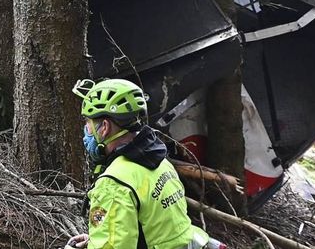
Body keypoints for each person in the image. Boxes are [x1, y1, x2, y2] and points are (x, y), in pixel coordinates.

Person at [67, 78, 218, 249]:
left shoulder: (114, 184)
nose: (86, 132)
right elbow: (159, 230)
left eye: (88, 124)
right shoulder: (159, 161)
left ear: (104, 127)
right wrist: (102, 235)